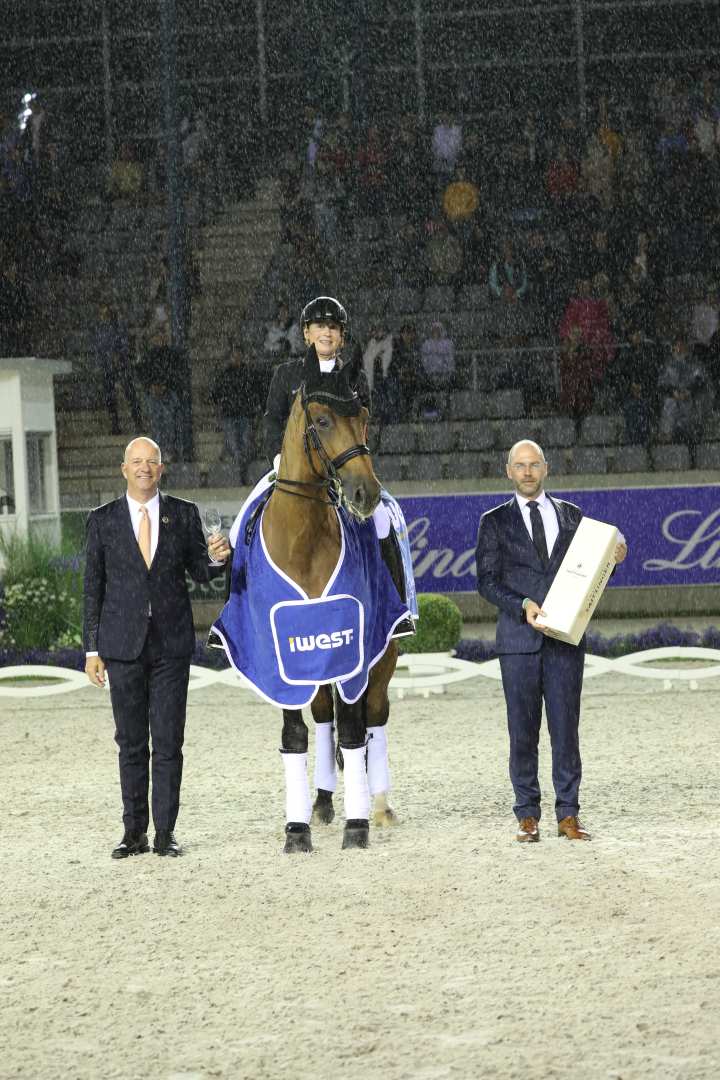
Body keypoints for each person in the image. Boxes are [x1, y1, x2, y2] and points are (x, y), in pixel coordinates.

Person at [83, 437, 230, 859]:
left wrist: (218, 558)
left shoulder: (183, 515)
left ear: (161, 470)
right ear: (123, 468)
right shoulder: (102, 520)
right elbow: (92, 589)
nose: (144, 468)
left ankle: (165, 833)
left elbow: (201, 571)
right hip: (121, 647)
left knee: (168, 742)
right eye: (137, 461)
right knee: (130, 743)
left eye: (152, 462)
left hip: (171, 646)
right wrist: (91, 650)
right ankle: (134, 833)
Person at [475, 439, 627, 843]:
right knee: (522, 733)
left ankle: (568, 815)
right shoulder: (493, 521)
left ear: (546, 469)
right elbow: (485, 583)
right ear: (508, 471)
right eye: (519, 465)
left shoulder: (573, 516)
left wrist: (613, 558)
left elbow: (590, 571)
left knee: (565, 730)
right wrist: (521, 603)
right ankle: (527, 816)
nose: (527, 472)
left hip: (563, 642)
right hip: (518, 642)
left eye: (534, 465)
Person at [209, 341, 264, 478]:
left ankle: (241, 469)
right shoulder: (225, 375)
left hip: (244, 414)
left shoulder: (249, 373)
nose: (237, 358)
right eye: (235, 356)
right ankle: (241, 469)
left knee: (244, 444)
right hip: (230, 414)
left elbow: (256, 393)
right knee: (235, 445)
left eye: (239, 355)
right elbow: (215, 395)